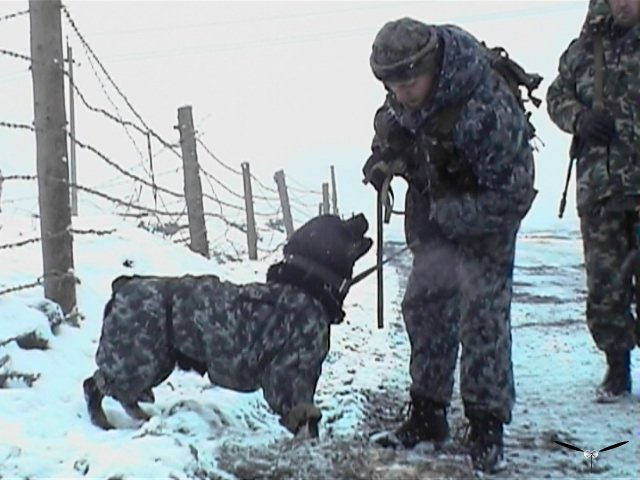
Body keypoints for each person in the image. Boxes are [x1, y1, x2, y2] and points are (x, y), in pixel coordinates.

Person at [362, 17, 537, 473]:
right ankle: (427, 416)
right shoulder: (404, 90)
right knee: (424, 306)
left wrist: (457, 217)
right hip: (436, 209)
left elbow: (516, 193)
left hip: (487, 217)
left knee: (482, 316)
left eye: (409, 81)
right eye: (392, 84)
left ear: (432, 63)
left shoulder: (487, 108)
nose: (402, 93)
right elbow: (400, 135)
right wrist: (385, 161)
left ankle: (486, 427)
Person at [546, 0, 639, 403]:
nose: (622, 3)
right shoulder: (582, 52)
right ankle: (617, 369)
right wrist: (579, 119)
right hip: (600, 188)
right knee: (605, 286)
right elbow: (555, 96)